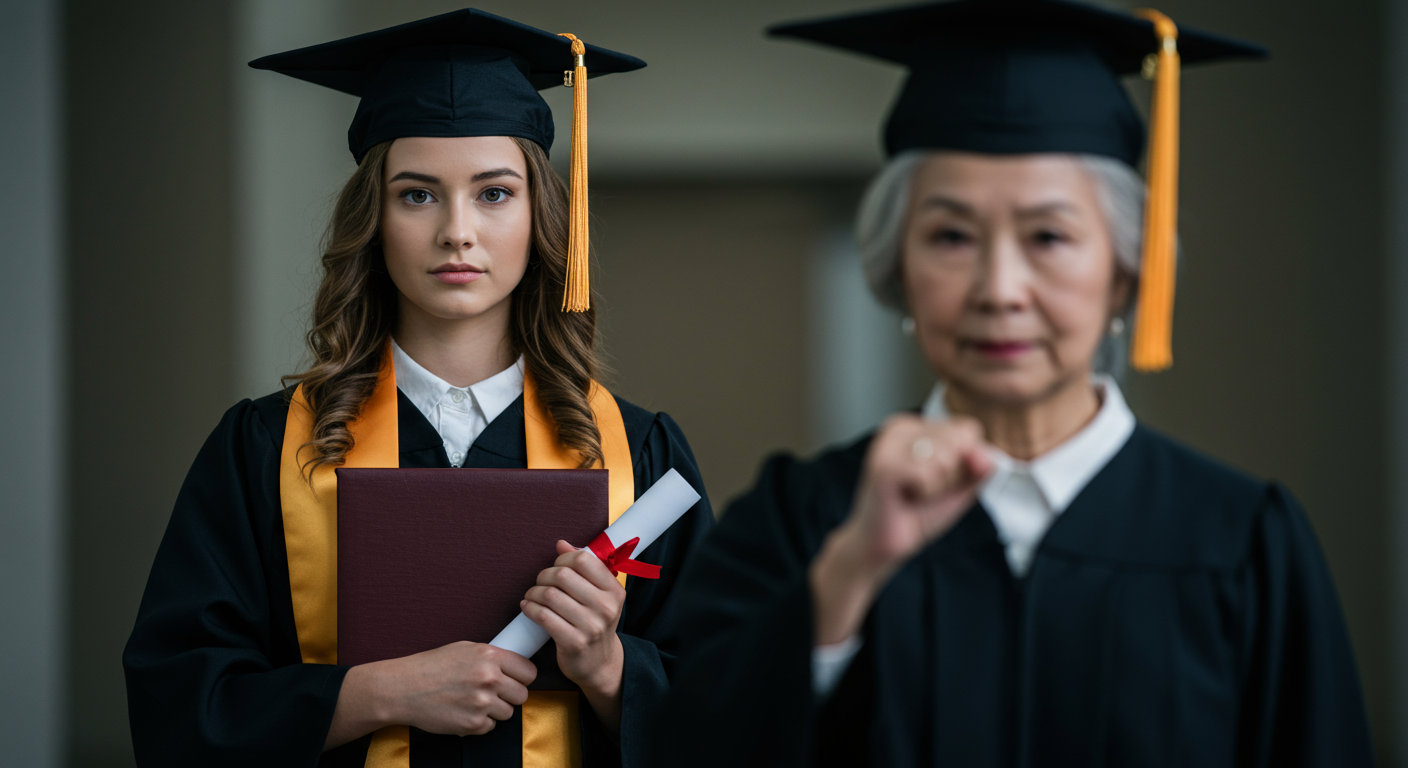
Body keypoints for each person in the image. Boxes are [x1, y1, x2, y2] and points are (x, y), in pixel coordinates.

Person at [660, 1, 1375, 766]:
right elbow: (689, 742)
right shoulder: (805, 520)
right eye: (951, 236)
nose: (999, 288)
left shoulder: (1241, 538)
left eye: (1049, 237)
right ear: (897, 267)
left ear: (1128, 273)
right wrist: (849, 575)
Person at [122, 9, 713, 768]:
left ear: (540, 217)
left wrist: (608, 668)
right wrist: (376, 695)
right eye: (418, 194)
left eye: (494, 193)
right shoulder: (264, 449)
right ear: (373, 217)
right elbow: (179, 703)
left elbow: (732, 711)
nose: (457, 232)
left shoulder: (638, 455)